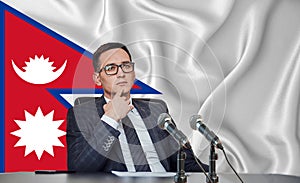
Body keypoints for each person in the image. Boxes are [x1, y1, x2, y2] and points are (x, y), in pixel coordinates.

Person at [66, 42, 208, 172]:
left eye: (126, 66)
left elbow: (187, 163)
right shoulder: (81, 114)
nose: (121, 73)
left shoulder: (156, 110)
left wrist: (221, 174)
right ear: (97, 78)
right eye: (111, 68)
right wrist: (110, 119)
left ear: (133, 74)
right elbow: (80, 169)